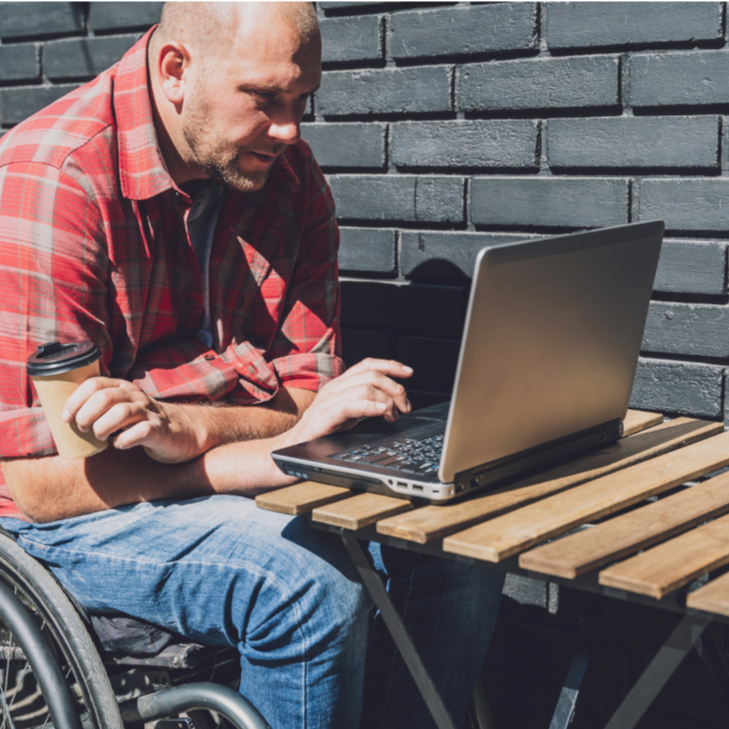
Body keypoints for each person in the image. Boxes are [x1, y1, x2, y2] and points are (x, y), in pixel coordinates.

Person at [0, 2, 504, 727]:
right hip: (70, 516)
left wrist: (179, 422)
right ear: (177, 70)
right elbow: (49, 483)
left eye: (302, 102)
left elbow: (309, 394)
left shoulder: (287, 177)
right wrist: (263, 448)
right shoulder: (53, 179)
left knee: (452, 549)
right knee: (306, 589)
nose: (290, 130)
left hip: (211, 472)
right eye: (265, 100)